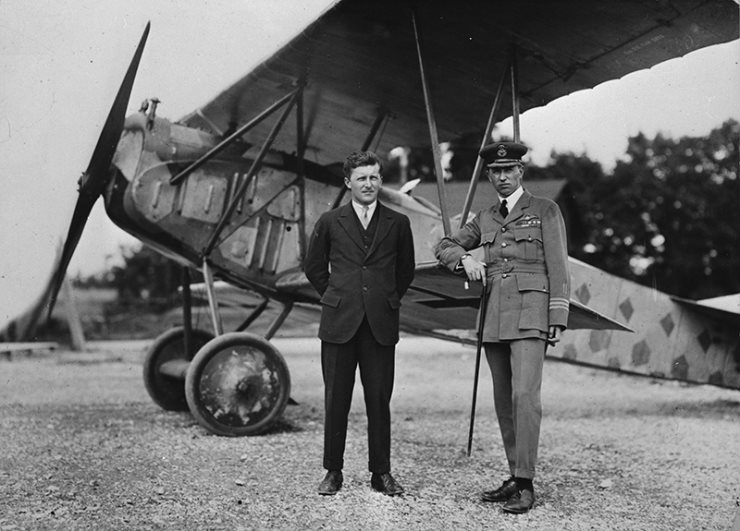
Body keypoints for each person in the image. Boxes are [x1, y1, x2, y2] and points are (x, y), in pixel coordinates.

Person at [435, 141, 569, 514]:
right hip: (494, 315)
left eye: (509, 169)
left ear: (521, 171)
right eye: (495, 171)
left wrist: (557, 316)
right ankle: (514, 474)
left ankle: (526, 483)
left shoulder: (544, 210)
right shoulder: (486, 216)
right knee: (504, 400)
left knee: (525, 398)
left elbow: (559, 265)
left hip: (531, 312)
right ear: (489, 176)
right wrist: (465, 259)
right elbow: (444, 246)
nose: (502, 176)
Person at [305, 150, 415, 496]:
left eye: (374, 177)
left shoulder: (398, 223)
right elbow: (314, 267)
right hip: (339, 323)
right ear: (348, 182)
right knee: (336, 399)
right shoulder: (329, 222)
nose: (368, 184)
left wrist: (384, 298)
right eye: (362, 178)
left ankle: (380, 473)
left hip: (380, 324)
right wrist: (337, 295)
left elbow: (405, 271)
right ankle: (333, 472)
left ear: (381, 181)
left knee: (379, 401)